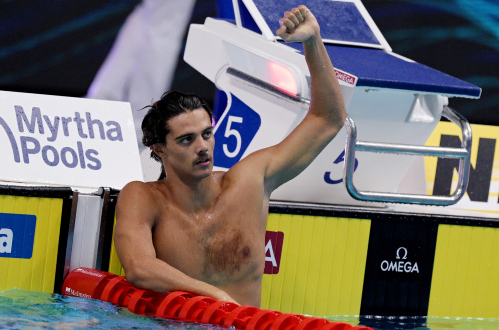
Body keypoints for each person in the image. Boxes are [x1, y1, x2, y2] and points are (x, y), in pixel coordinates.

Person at [114, 5, 347, 307]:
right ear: (159, 150)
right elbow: (139, 267)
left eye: (206, 134)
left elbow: (328, 119)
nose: (202, 147)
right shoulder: (143, 197)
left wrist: (313, 42)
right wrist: (215, 297)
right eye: (187, 139)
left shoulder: (249, 182)